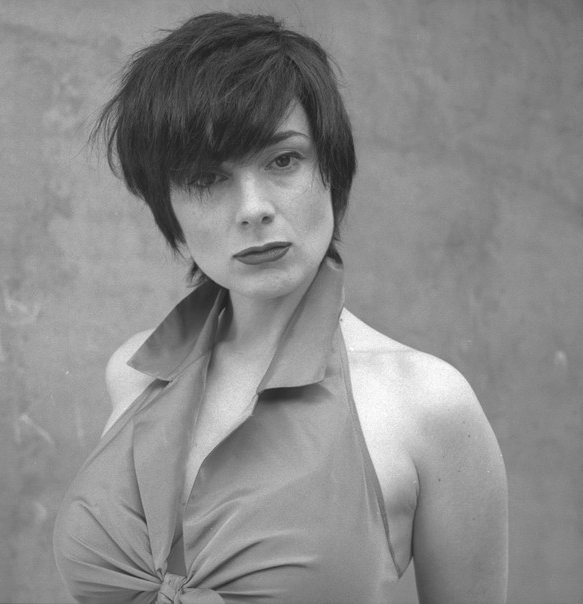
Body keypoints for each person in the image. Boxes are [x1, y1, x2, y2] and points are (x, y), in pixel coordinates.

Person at [53, 11, 508, 604]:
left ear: (331, 169)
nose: (253, 208)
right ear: (168, 210)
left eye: (283, 160)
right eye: (206, 178)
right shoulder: (132, 374)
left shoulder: (427, 404)